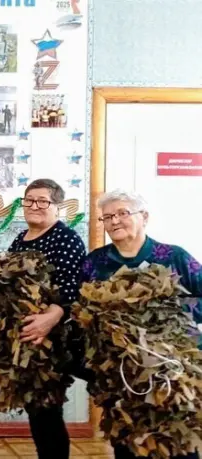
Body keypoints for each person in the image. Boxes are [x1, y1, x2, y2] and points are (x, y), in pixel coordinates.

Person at [81, 190, 202, 459]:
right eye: (107, 217)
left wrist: (171, 312)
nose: (114, 221)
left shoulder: (174, 257)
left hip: (172, 371)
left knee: (177, 444)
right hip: (120, 375)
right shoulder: (94, 263)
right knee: (128, 443)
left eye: (122, 213)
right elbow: (82, 312)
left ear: (144, 217)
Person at [7, 179, 87, 459]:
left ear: (57, 206)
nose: (34, 206)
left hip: (52, 342)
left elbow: (72, 287)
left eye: (43, 201)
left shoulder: (66, 238)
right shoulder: (20, 239)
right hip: (25, 339)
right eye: (29, 200)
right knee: (37, 411)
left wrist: (52, 317)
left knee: (47, 411)